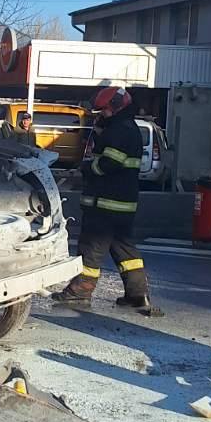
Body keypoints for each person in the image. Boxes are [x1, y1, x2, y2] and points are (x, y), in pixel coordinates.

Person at [54, 87, 160, 315]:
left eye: (104, 111)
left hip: (105, 203)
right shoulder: (126, 128)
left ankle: (80, 292)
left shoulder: (119, 130)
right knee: (125, 250)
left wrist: (86, 169)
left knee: (91, 249)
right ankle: (137, 295)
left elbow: (108, 164)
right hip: (122, 203)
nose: (101, 115)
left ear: (116, 107)